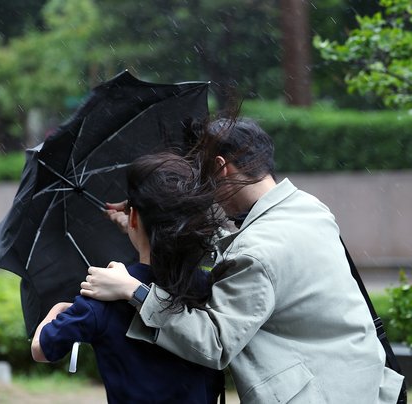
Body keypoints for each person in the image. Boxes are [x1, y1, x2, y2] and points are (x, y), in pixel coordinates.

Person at [80, 118, 405, 403]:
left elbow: (215, 343)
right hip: (364, 382)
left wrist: (135, 291)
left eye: (203, 175)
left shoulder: (256, 251)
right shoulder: (308, 208)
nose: (203, 190)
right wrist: (147, 228)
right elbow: (252, 258)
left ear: (221, 168)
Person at [31, 152, 225, 404]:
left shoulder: (103, 296)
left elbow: (42, 349)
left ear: (132, 217)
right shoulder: (209, 287)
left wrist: (58, 309)